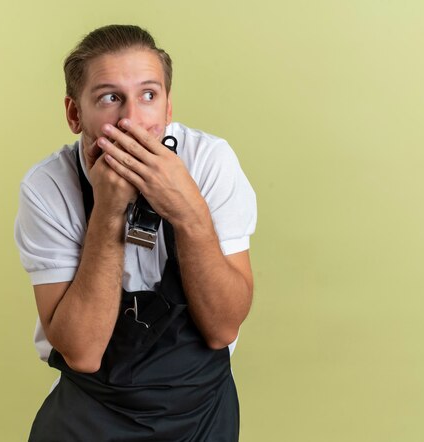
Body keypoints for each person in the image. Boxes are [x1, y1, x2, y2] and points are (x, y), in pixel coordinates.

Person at [14, 24, 257, 441]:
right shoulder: (48, 188)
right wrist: (108, 212)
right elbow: (83, 353)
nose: (131, 119)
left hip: (200, 413)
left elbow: (223, 328)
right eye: (110, 98)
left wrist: (188, 213)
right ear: (75, 114)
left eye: (148, 95)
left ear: (167, 109)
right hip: (90, 413)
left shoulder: (210, 163)